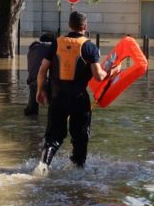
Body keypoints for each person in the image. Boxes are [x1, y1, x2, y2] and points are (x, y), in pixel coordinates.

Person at [33, 11, 121, 176]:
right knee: (80, 138)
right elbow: (99, 76)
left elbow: (42, 70)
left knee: (53, 137)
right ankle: (77, 172)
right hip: (79, 100)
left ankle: (42, 167)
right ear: (85, 27)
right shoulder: (89, 47)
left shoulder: (56, 43)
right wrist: (114, 70)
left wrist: (40, 90)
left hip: (57, 98)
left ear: (69, 25)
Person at [24, 32, 55, 116]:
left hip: (32, 83)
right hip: (45, 83)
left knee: (31, 113)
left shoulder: (32, 49)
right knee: (55, 110)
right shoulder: (52, 47)